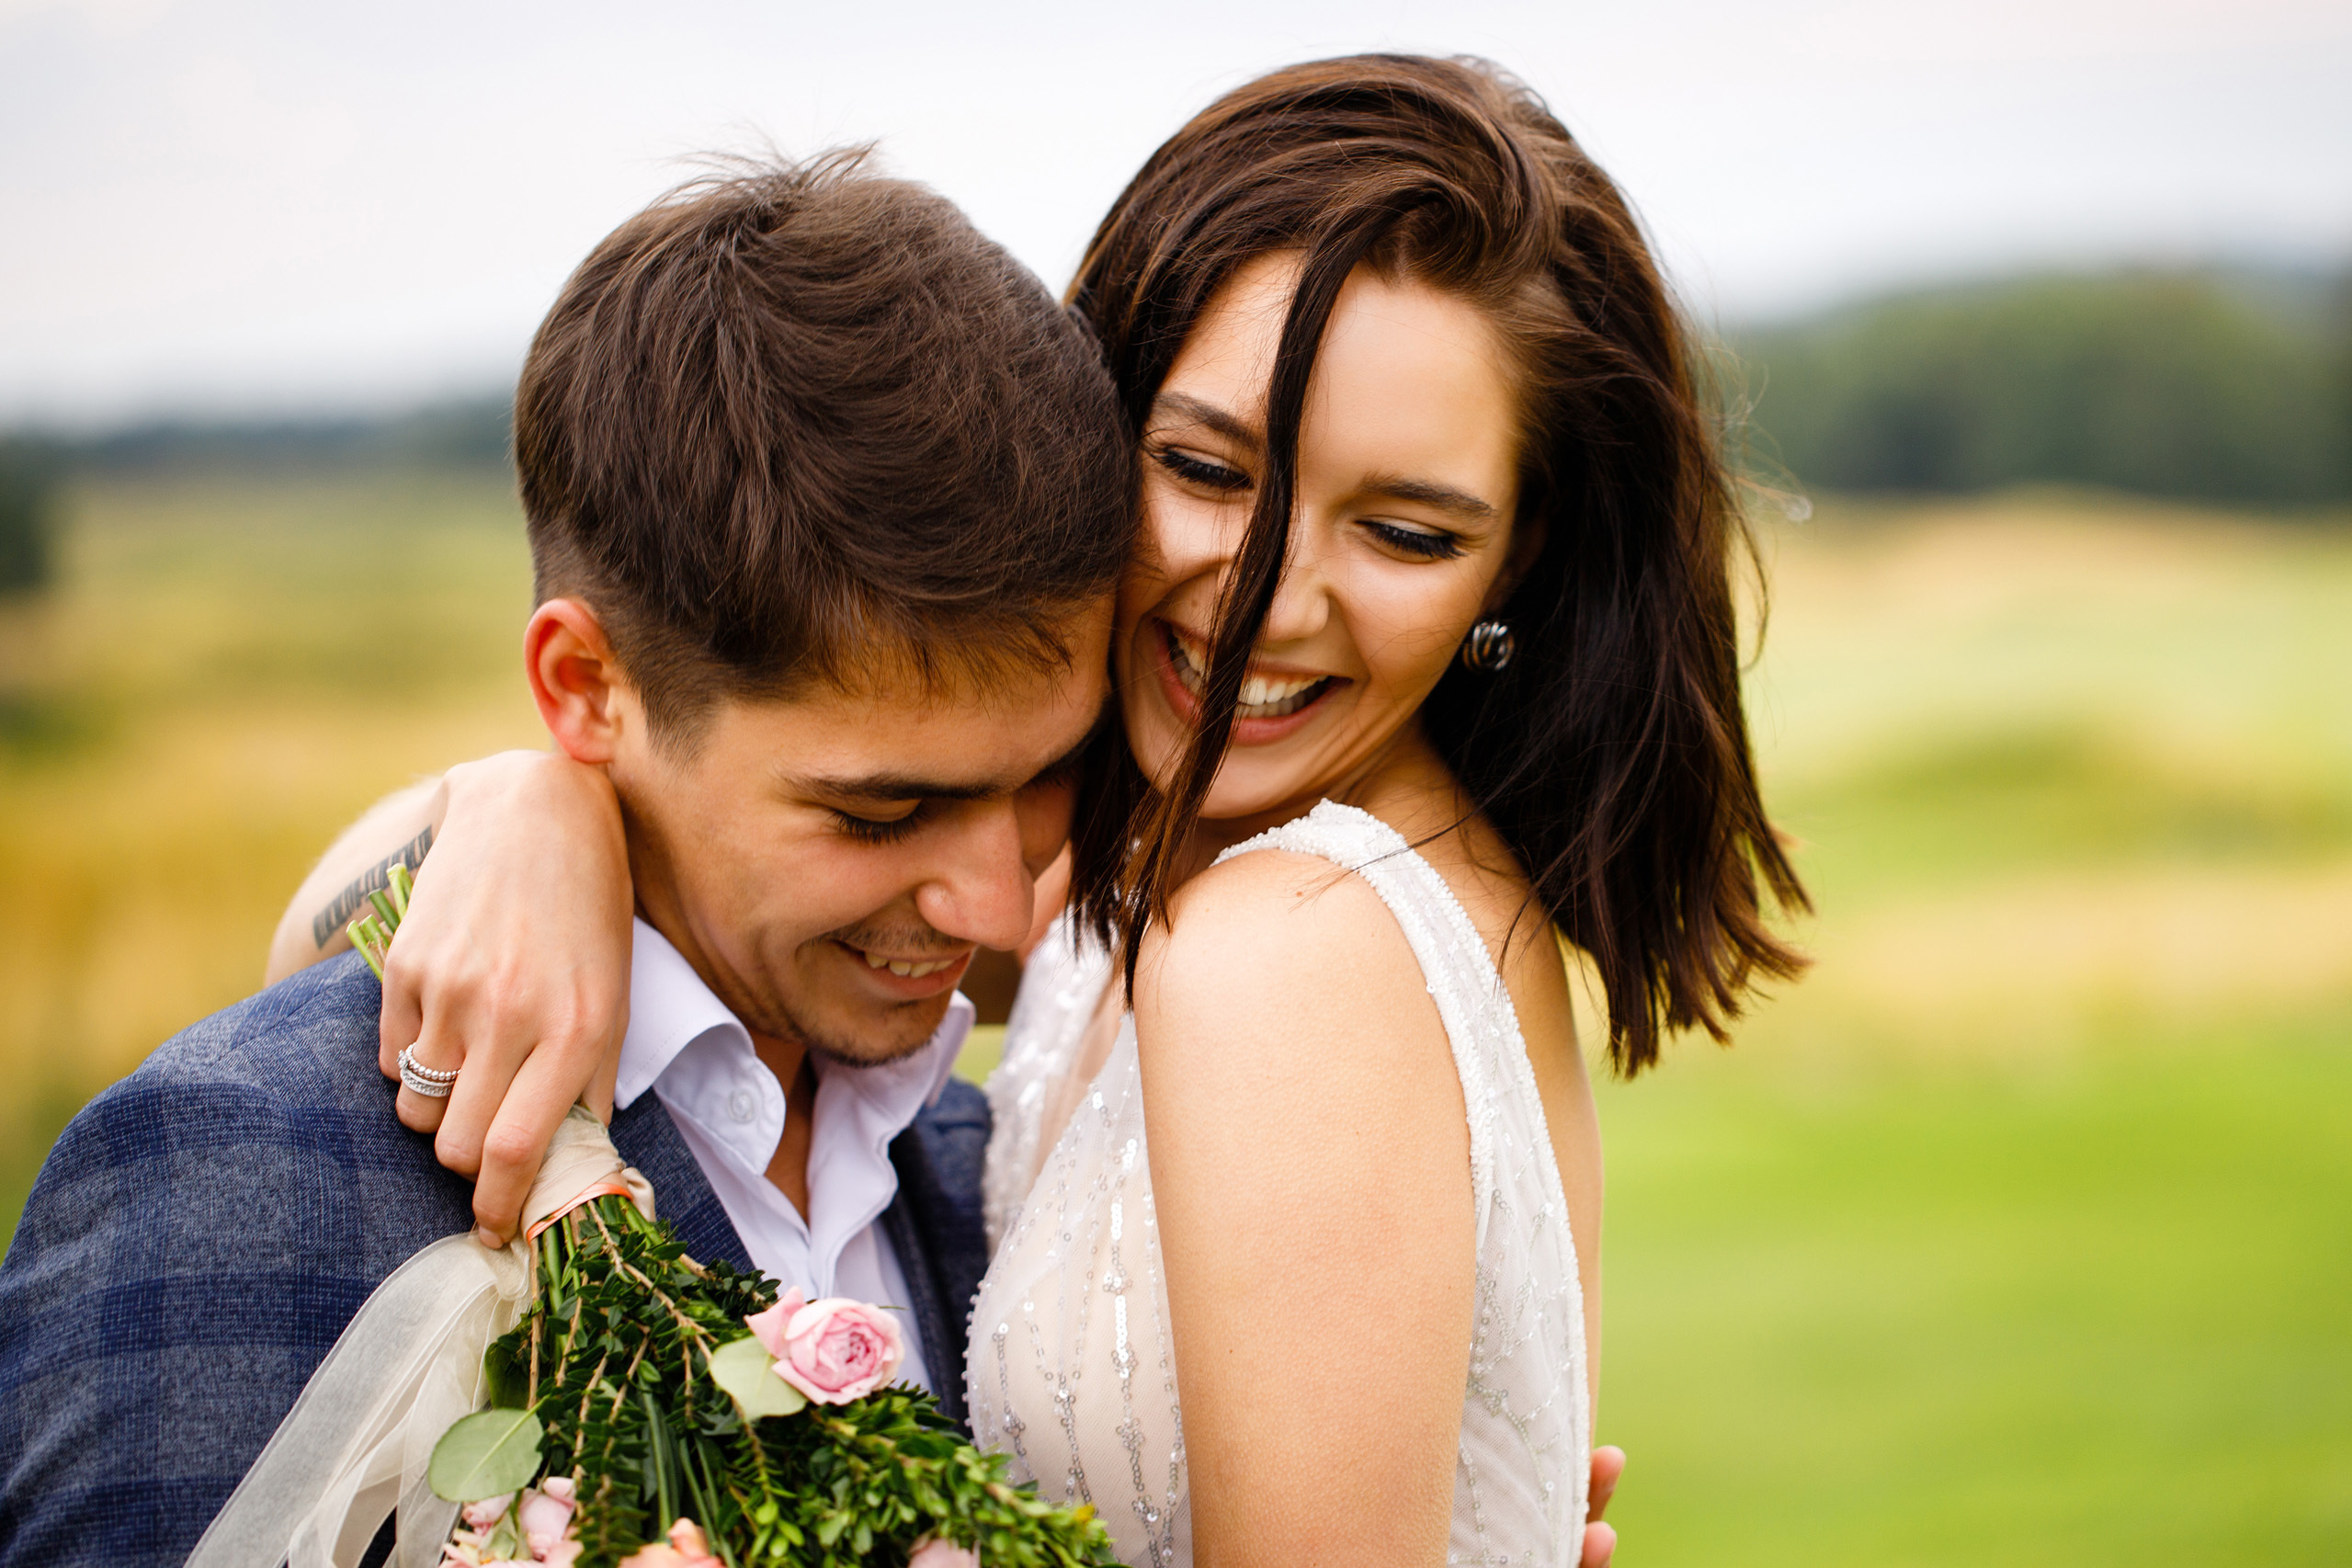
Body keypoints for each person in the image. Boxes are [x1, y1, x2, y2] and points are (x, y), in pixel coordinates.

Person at [277, 55, 1801, 1566]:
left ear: (1512, 567)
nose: (1269, 597)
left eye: (1404, 529)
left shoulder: (1291, 948)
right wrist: (537, 802)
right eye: (1207, 469)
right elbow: (330, 941)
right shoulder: (1140, 879)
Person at [0, 153, 1138, 1568]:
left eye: (1051, 777)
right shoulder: (240, 1167)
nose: (996, 901)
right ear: (590, 686)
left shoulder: (991, 1175)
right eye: (879, 811)